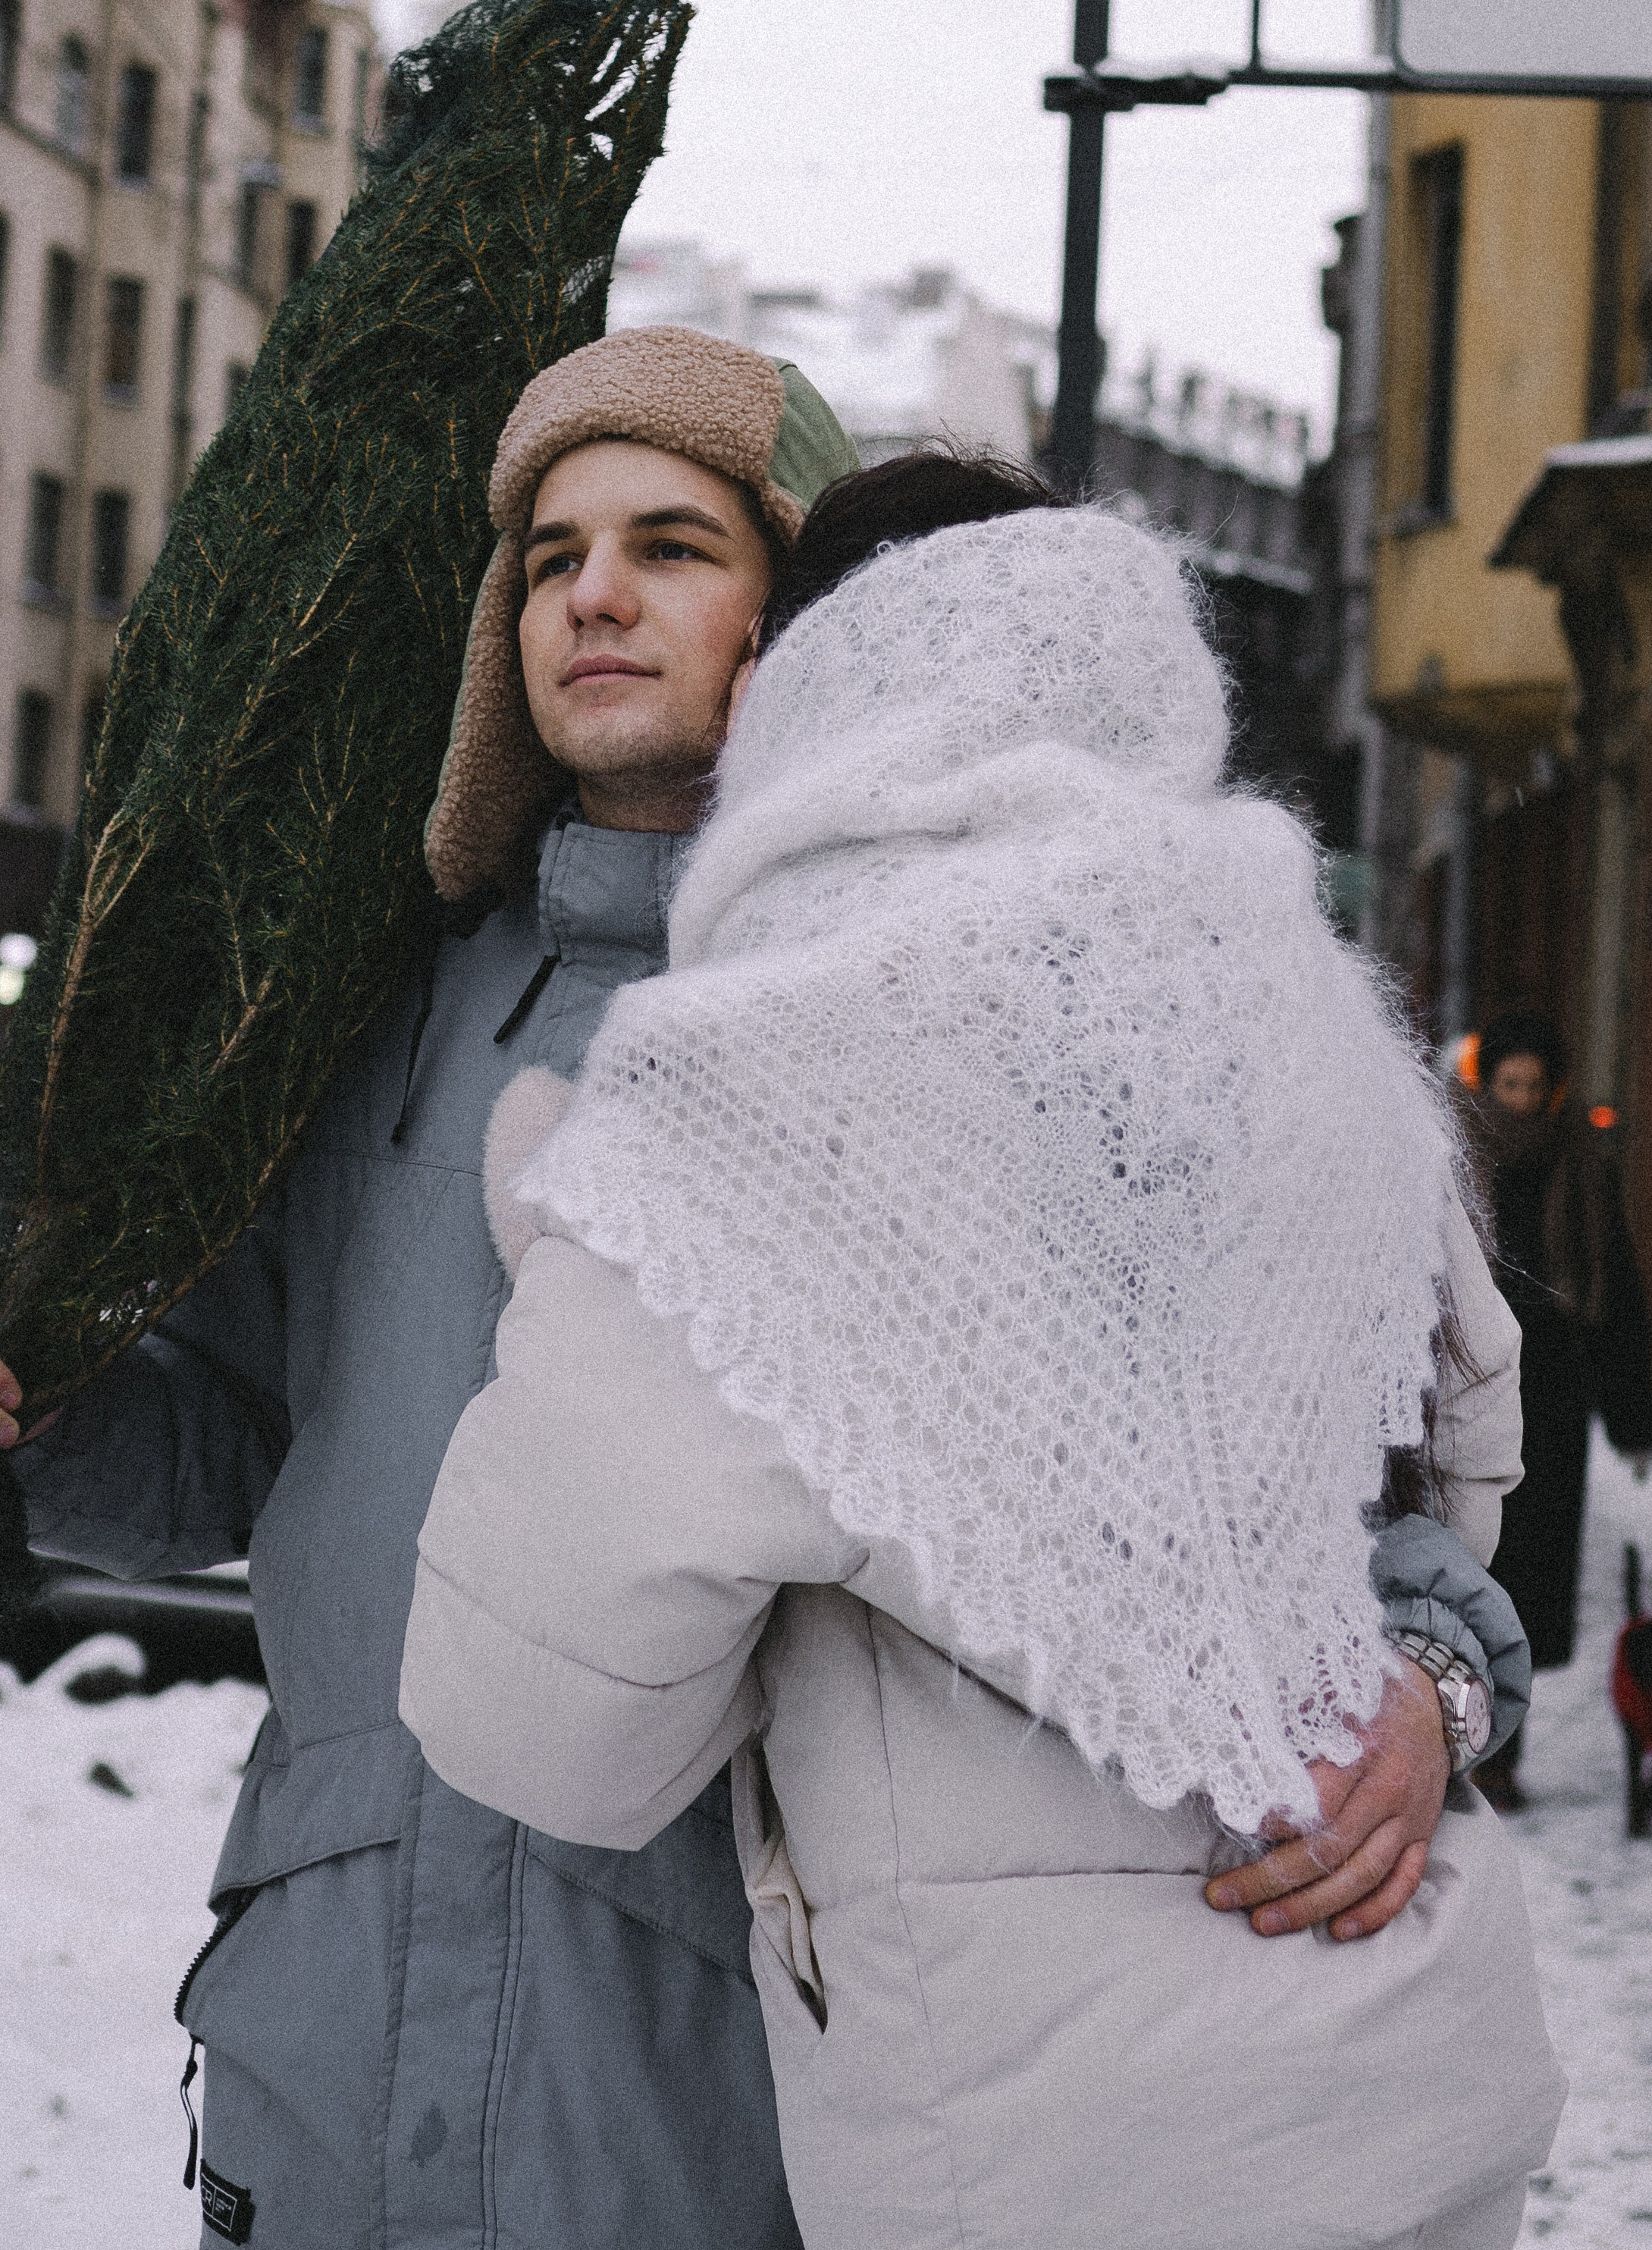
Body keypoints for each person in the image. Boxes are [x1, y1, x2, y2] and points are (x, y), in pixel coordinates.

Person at [0, 394, 1525, 2250]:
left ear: (802, 625)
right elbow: (239, 1434)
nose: (594, 599)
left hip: (717, 2071)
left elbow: (1295, 1471)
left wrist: (1435, 1678)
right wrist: (51, 1411)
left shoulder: (969, 1020)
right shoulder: (364, 1023)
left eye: (672, 547)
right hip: (325, 2017)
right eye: (550, 559)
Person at [399, 464, 1563, 2250]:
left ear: (814, 690)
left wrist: (570, 1237)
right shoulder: (1313, 1014)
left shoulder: (740, 1098)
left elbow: (541, 1732)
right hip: (1417, 2073)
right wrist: (1428, 1684)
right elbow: (1445, 1485)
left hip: (1046, 2157)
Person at [1459, 1009, 1652, 1814]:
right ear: (1486, 1081)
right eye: (1508, 1084)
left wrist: (1633, 1415)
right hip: (1467, 1382)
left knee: (1528, 1578)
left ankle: (1502, 1755)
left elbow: (1618, 1292)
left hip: (1548, 1387)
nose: (1520, 1100)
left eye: (1534, 1087)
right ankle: (1453, 1741)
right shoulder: (1448, 1152)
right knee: (1465, 1564)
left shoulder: (1580, 1157)